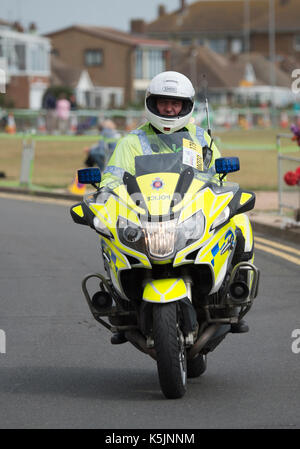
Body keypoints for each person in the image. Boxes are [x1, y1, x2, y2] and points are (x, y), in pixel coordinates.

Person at [100, 71, 249, 344]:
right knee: (107, 233)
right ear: (152, 103)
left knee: (240, 222)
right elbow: (110, 181)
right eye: (163, 102)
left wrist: (222, 188)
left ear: (186, 106)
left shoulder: (200, 139)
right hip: (145, 216)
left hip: (188, 215)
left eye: (176, 103)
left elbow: (217, 178)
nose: (169, 108)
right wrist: (103, 198)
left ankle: (235, 295)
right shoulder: (131, 142)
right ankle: (120, 303)